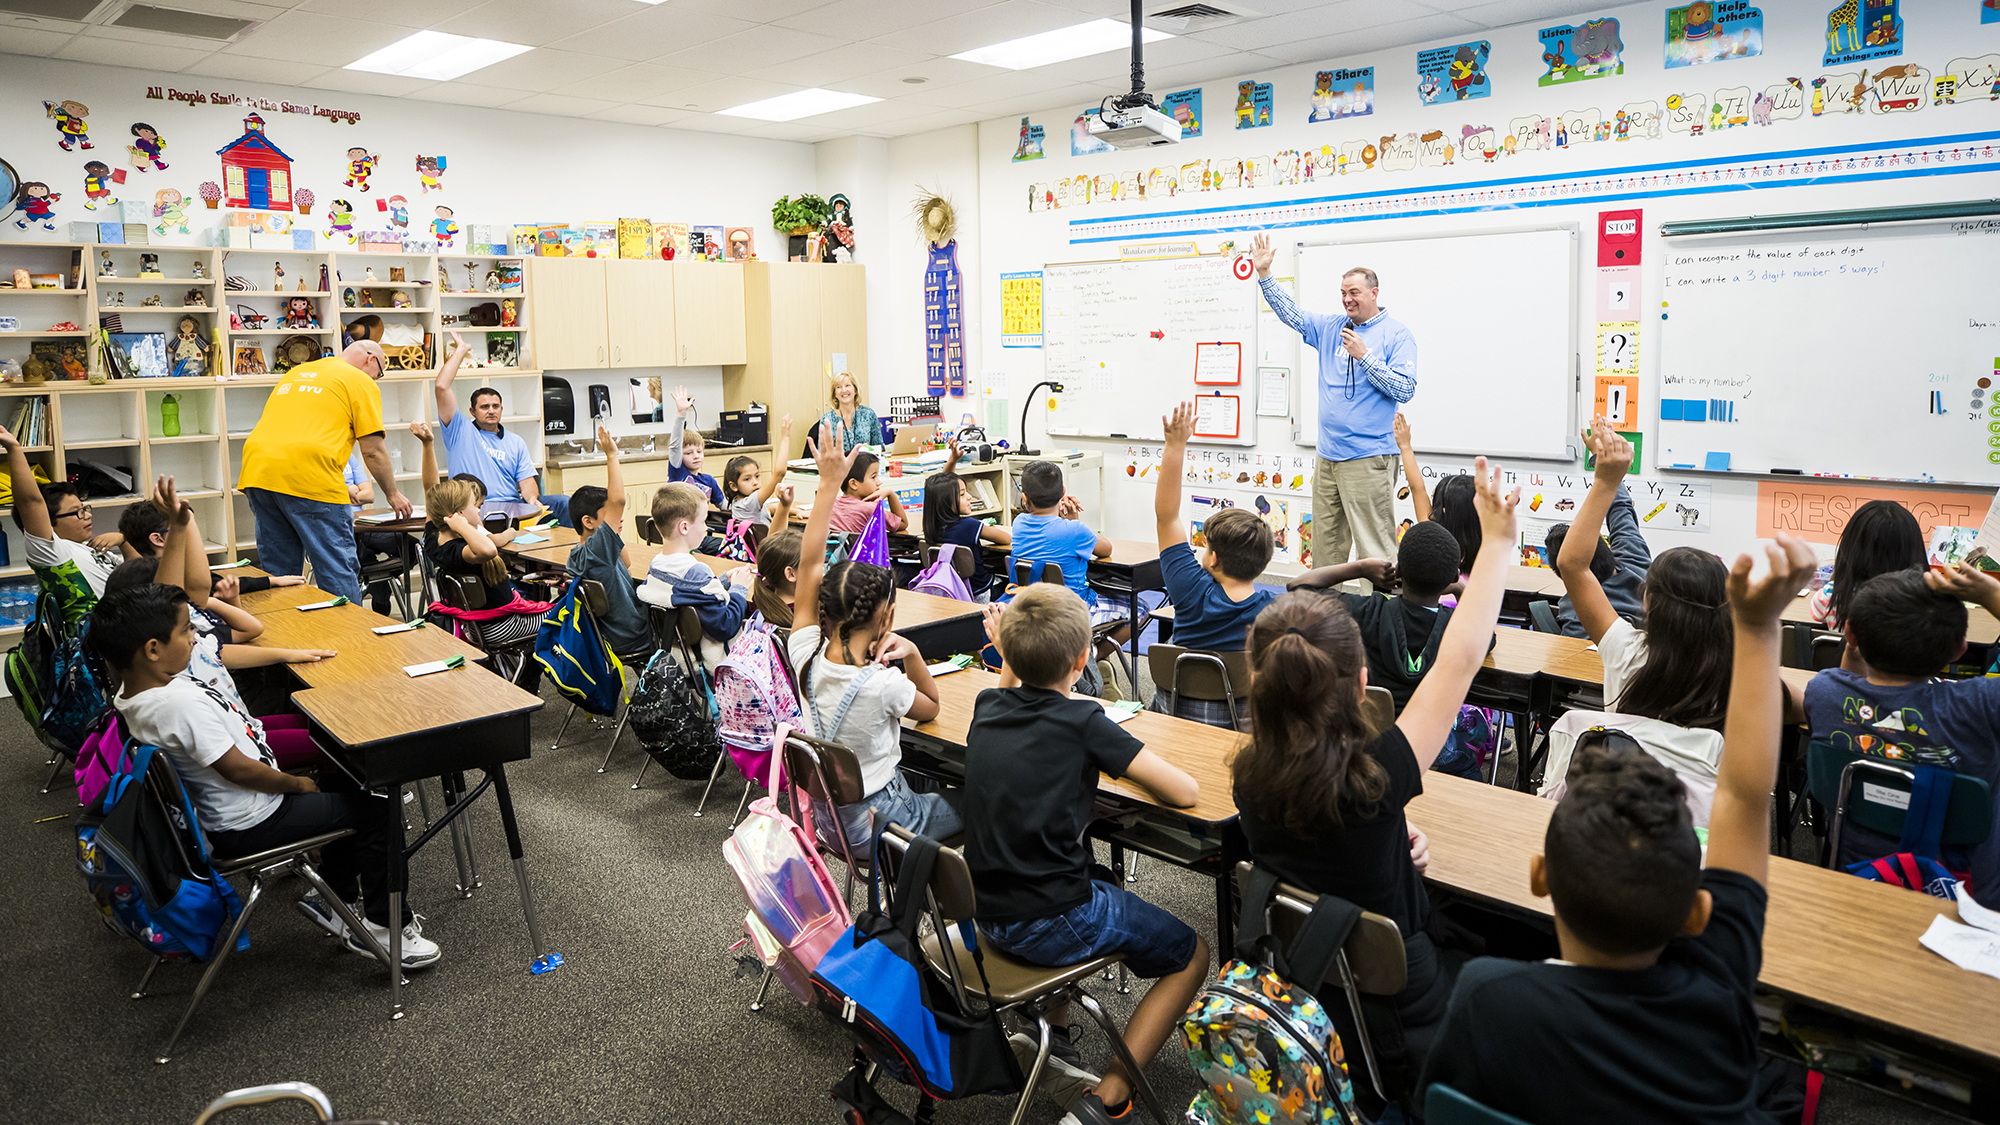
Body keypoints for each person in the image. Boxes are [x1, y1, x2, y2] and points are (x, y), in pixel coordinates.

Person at [1421, 532, 1819, 1124]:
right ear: (1698, 912)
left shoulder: (1486, 996)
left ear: (1541, 876)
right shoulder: (1725, 1001)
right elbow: (1743, 796)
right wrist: (1759, 627)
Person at [1237, 460, 1516, 1112]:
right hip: (1401, 993)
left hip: (1303, 974)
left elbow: (1329, 849)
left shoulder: (1248, 772)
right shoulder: (1379, 772)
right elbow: (1461, 655)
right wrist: (1499, 541)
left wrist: (1394, 838)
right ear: (1362, 685)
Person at [93, 581, 440, 968]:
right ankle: (386, 928)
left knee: (350, 777)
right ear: (153, 649)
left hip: (241, 811)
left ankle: (334, 897)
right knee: (381, 809)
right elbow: (237, 769)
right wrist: (297, 785)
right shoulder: (175, 704)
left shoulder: (141, 692)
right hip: (252, 821)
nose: (195, 638)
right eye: (186, 630)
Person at [967, 582, 1209, 1124]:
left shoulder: (987, 704)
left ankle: (1050, 1028)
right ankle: (1112, 1094)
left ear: (1008, 654)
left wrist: (1009, 652)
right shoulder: (1083, 721)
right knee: (1194, 953)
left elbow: (1010, 689)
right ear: (1083, 660)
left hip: (988, 913)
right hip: (1050, 918)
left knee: (1098, 871)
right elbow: (1185, 792)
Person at [787, 420, 953, 852]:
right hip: (886, 825)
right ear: (888, 617)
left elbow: (808, 566)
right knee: (977, 797)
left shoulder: (804, 654)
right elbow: (931, 707)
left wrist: (828, 487)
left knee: (926, 772)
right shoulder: (884, 684)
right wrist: (913, 653)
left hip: (831, 826)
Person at [106, 477, 334, 770]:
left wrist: (184, 519)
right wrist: (181, 524)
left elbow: (204, 598)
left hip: (240, 720)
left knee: (321, 721)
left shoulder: (175, 640)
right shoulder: (169, 653)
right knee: (333, 739)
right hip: (239, 729)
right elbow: (201, 591)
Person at [1806, 565, 2000, 906]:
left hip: (1859, 881)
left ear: (1849, 634)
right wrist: (1991, 595)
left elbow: (1845, 675)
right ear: (1959, 650)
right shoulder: (1978, 704)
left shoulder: (1824, 692)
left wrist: (1856, 642)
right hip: (1967, 899)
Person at [1250, 233, 1416, 570]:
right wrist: (1265, 275)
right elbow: (1291, 315)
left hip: (1370, 458)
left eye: (1354, 292)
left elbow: (1405, 389)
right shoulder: (1330, 327)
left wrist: (1365, 356)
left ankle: (1380, 619)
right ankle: (1326, 618)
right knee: (1326, 550)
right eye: (1343, 293)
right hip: (1328, 457)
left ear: (1374, 293)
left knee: (1375, 551)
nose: (1347, 300)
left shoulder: (1397, 335)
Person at [1286, 521, 1490, 779]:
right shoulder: (1458, 627)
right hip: (1431, 749)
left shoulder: (1366, 611)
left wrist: (1359, 568)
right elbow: (1487, 633)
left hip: (1367, 741)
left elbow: (1298, 587)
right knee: (1467, 766)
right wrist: (1460, 589)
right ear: (1452, 577)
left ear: (1398, 570)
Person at [239, 340, 411, 604]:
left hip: (258, 470)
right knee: (336, 570)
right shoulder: (359, 380)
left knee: (279, 573)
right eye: (381, 371)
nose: (378, 378)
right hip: (309, 474)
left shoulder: (296, 373)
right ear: (370, 359)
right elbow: (373, 450)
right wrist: (393, 494)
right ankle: (348, 643)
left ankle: (288, 641)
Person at [1145, 401, 1274, 727]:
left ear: (1213, 559)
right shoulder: (1274, 611)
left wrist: (1176, 445)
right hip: (1240, 725)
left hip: (1175, 715)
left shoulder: (1189, 590)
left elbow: (1167, 517)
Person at [425, 477, 549, 689]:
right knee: (564, 617)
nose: (479, 510)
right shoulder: (459, 551)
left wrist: (428, 445)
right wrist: (464, 527)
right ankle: (530, 680)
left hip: (479, 626)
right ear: (459, 515)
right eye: (475, 505)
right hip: (501, 627)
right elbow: (489, 550)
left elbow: (430, 490)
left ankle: (528, 675)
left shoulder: (434, 543)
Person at [433, 331, 565, 526]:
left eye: (496, 406)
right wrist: (461, 350)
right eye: (484, 407)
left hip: (513, 508)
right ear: (472, 411)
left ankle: (575, 554)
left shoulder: (515, 441)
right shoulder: (458, 431)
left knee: (563, 504)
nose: (491, 411)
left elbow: (527, 482)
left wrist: (531, 499)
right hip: (474, 509)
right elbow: (442, 386)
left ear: (502, 409)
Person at [3, 423, 119, 615]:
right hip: (101, 639)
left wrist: (124, 540)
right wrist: (13, 448)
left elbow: (144, 580)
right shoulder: (53, 552)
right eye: (77, 512)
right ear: (48, 522)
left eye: (85, 509)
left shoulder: (88, 547)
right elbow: (30, 502)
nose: (88, 515)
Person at [560, 423, 653, 659]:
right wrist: (612, 455)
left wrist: (615, 531)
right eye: (610, 516)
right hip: (631, 634)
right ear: (588, 522)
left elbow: (628, 563)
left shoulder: (578, 553)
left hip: (606, 634)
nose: (618, 518)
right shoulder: (597, 551)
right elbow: (618, 501)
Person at [637, 482, 751, 667]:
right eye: (703, 521)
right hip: (709, 665)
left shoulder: (656, 564)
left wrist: (722, 581)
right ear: (684, 527)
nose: (706, 528)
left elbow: (691, 594)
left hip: (677, 658)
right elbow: (725, 626)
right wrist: (739, 588)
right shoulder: (697, 572)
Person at [1544, 480, 1653, 638]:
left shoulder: (1577, 620)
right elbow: (1621, 508)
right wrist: (1605, 468)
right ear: (1603, 539)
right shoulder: (1635, 558)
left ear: (1561, 572)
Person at [1808, 499, 1924, 628]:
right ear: (1915, 550)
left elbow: (1815, 612)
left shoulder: (1829, 596)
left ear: (1850, 547)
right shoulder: (1923, 606)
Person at [922, 462, 1010, 602]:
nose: (970, 497)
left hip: (954, 590)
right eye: (962, 494)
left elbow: (943, 484)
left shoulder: (931, 527)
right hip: (981, 592)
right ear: (945, 501)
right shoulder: (968, 525)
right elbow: (1006, 539)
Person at [721, 414, 793, 531]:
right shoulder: (748, 503)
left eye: (757, 476)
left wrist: (796, 511)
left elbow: (769, 508)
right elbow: (779, 473)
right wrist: (785, 438)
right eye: (747, 479)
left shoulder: (739, 501)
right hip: (765, 547)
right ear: (733, 486)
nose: (755, 482)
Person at [825, 450, 906, 535]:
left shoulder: (830, 504)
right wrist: (890, 493)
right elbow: (903, 523)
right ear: (853, 484)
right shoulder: (871, 509)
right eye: (873, 477)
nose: (879, 482)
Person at [749, 520, 801, 627]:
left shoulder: (762, 596)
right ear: (791, 574)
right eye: (815, 565)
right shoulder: (809, 613)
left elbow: (773, 554)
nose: (822, 570)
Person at [818, 370, 881, 452]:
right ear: (835, 394)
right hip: (838, 464)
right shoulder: (827, 419)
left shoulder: (869, 414)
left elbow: (880, 448)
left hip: (864, 463)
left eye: (847, 385)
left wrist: (869, 448)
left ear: (855, 390)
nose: (843, 390)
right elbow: (821, 452)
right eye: (838, 387)